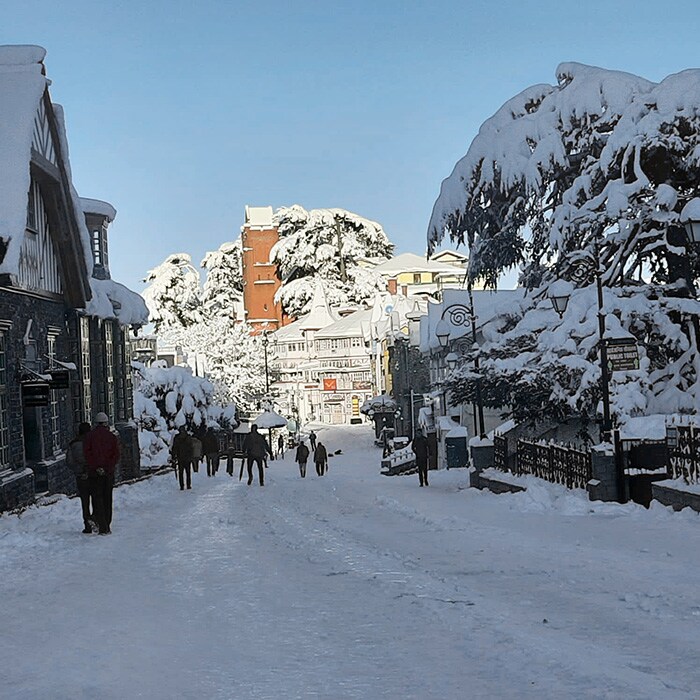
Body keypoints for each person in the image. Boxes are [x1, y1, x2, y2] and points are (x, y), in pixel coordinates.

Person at [83, 412, 120, 535]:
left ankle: (101, 524)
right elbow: (115, 455)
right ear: (106, 423)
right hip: (108, 473)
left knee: (97, 498)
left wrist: (96, 467)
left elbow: (88, 454)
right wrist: (107, 468)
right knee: (107, 499)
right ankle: (107, 525)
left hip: (94, 473)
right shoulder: (112, 437)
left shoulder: (89, 437)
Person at [67, 422, 94, 533]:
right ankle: (95, 519)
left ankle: (87, 524)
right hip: (93, 474)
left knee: (85, 501)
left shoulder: (74, 444)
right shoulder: (93, 442)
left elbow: (69, 461)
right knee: (97, 499)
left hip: (80, 476)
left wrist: (79, 471)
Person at [171, 426, 194, 491]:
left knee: (181, 472)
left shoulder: (177, 438)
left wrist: (173, 456)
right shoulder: (188, 437)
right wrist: (191, 456)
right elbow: (191, 447)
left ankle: (182, 486)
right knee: (188, 472)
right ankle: (188, 485)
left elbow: (174, 448)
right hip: (187, 457)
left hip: (180, 457)